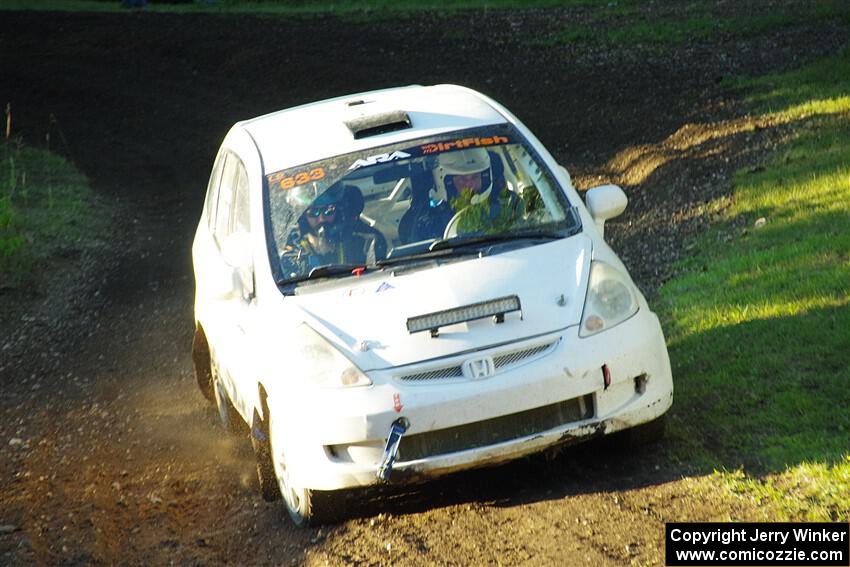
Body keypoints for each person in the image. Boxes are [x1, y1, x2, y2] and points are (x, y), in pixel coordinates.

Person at [282, 182, 387, 273]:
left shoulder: (366, 240)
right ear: (303, 216)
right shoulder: (291, 248)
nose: (322, 219)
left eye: (329, 210)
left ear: (338, 211)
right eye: (314, 212)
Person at [434, 148, 524, 237]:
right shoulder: (439, 217)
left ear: (484, 177)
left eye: (475, 176)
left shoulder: (508, 202)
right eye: (462, 178)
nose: (470, 184)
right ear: (449, 182)